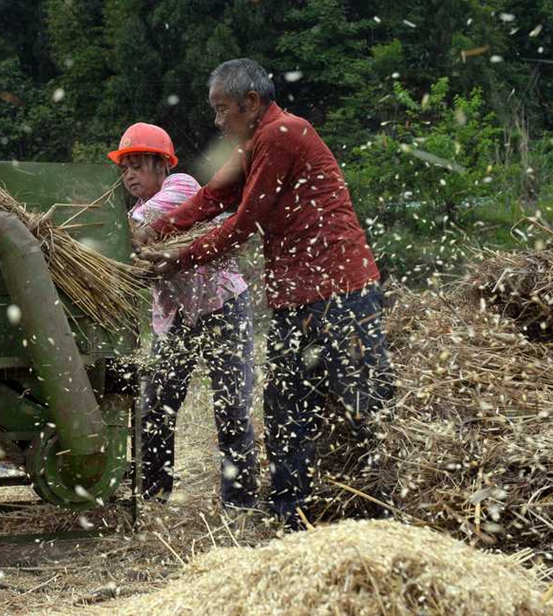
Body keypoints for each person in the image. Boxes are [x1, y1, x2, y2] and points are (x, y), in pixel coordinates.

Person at [134, 59, 393, 529]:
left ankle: (384, 516)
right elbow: (213, 198)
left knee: (363, 404)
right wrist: (158, 229)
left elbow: (243, 222)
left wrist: (179, 257)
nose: (217, 122)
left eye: (221, 110)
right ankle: (290, 520)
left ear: (250, 103)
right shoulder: (255, 142)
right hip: (296, 296)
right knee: (286, 407)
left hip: (340, 290)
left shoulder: (282, 135)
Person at [109, 122, 259, 510]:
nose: (128, 175)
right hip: (174, 319)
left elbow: (140, 233)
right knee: (156, 406)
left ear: (161, 165)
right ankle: (154, 496)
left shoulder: (182, 187)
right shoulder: (136, 212)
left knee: (231, 406)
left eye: (137, 165)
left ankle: (239, 504)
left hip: (222, 307)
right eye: (124, 168)